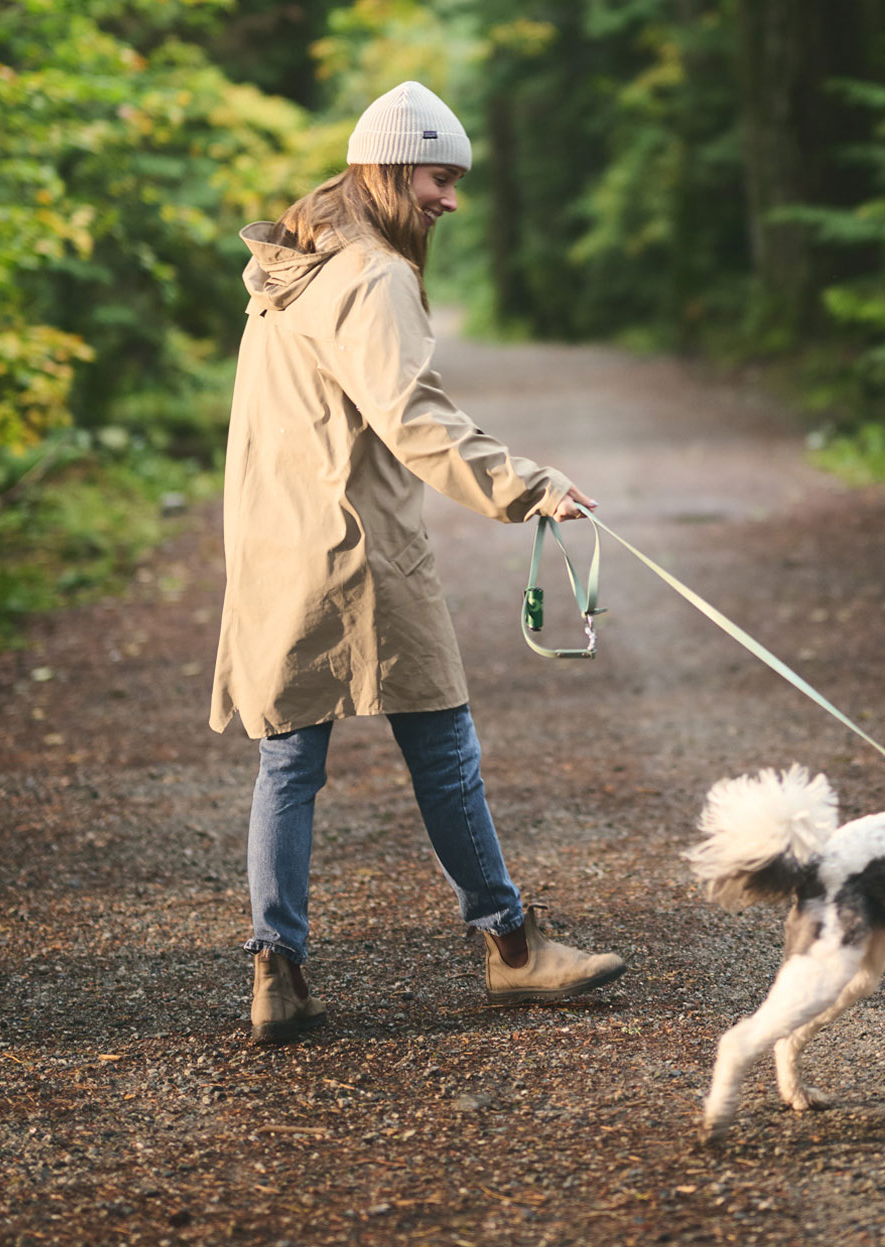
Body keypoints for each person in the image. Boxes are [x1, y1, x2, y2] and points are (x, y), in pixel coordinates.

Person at [209, 80, 626, 1043]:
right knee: (444, 749)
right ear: (395, 169)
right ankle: (513, 948)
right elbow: (414, 418)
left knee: (288, 762)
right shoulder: (374, 274)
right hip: (360, 548)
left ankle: (278, 972)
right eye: (441, 177)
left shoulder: (294, 266)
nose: (451, 198)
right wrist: (530, 485)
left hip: (279, 543)